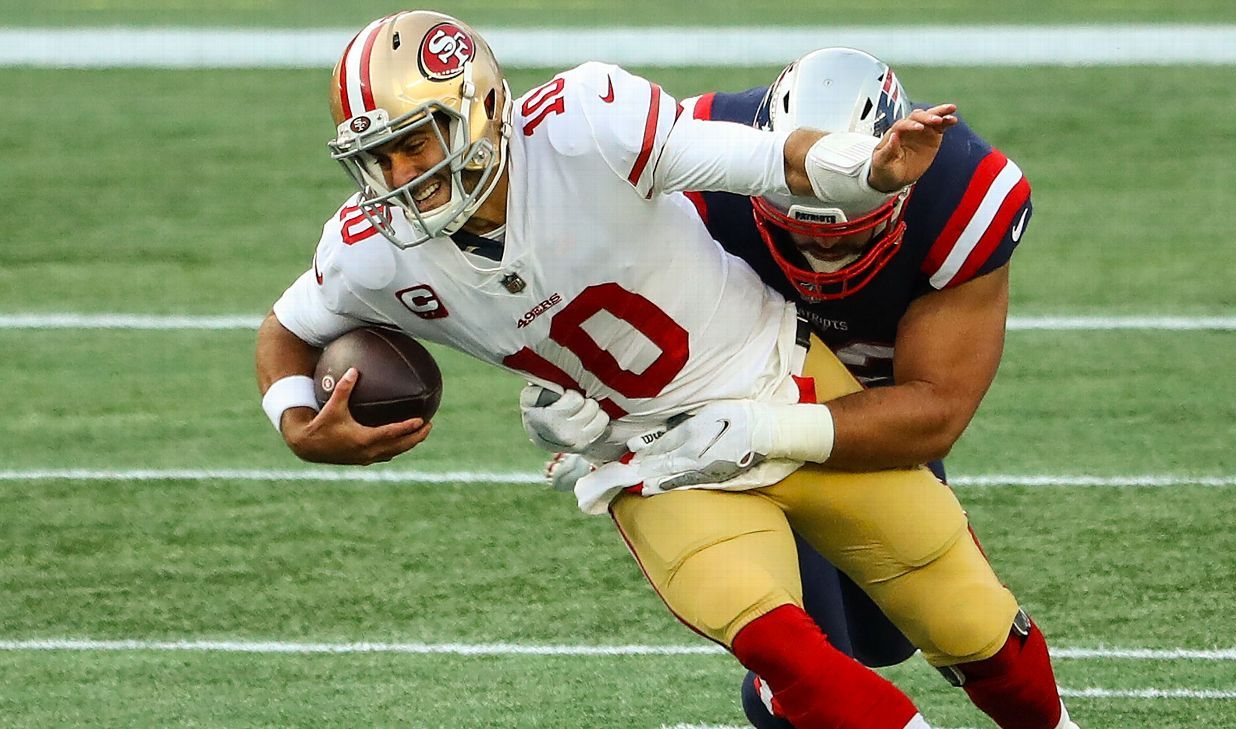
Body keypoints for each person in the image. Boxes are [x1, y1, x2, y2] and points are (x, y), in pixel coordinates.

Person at [254, 11, 1042, 728]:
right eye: (376, 157)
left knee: (972, 621)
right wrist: (297, 423)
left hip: (779, 376)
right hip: (655, 460)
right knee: (793, 663)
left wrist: (867, 175)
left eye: (416, 143)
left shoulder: (586, 123)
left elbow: (777, 159)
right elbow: (285, 332)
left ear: (484, 109)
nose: (398, 179)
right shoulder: (369, 250)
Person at [534, 49, 1077, 729]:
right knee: (808, 675)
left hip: (864, 415)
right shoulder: (699, 155)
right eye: (802, 228)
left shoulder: (960, 191)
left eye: (848, 234)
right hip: (714, 414)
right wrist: (588, 391)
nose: (824, 256)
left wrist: (767, 428)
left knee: (894, 635)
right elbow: (568, 272)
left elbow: (935, 410)